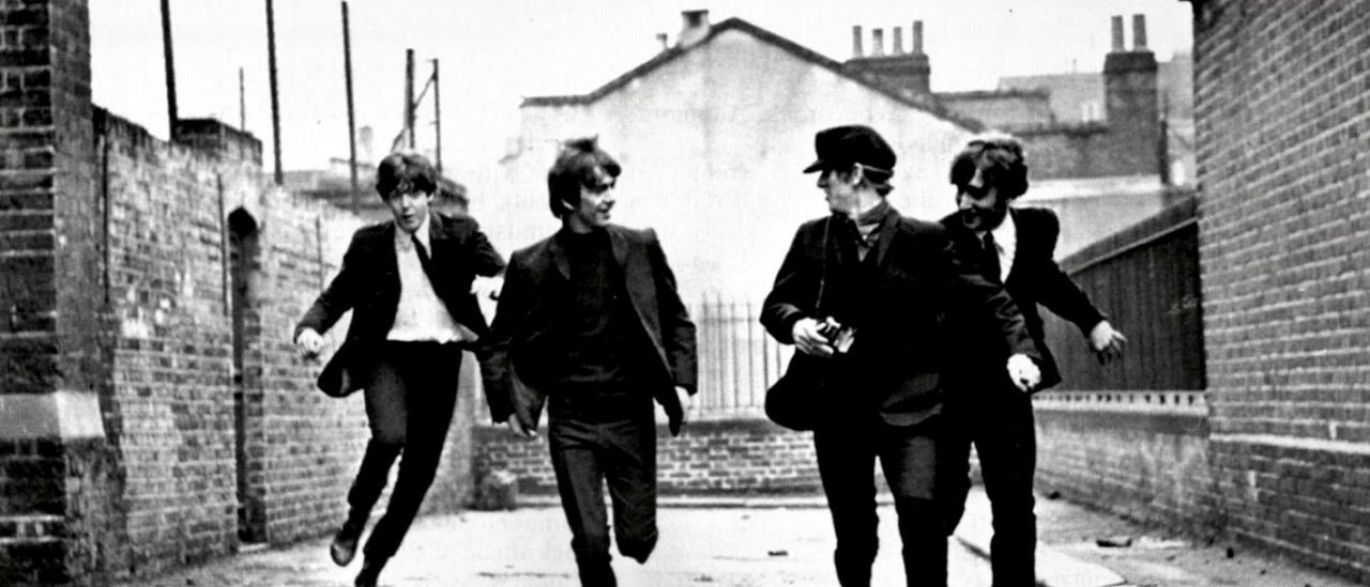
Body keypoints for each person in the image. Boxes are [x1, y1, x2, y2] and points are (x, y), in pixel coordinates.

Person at [760, 125, 1042, 587]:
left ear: (855, 175)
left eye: (828, 173)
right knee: (854, 533)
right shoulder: (812, 238)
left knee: (923, 520)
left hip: (914, 412)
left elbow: (990, 298)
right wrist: (797, 325)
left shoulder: (924, 239)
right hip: (838, 412)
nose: (821, 183)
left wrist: (1022, 353)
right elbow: (777, 304)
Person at [480, 137, 698, 587]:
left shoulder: (639, 246)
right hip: (572, 421)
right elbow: (498, 341)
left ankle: (635, 538)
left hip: (630, 414)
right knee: (591, 538)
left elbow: (677, 319)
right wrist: (505, 405)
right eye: (598, 189)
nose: (610, 197)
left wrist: (682, 382)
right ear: (567, 200)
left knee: (637, 540)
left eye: (612, 186)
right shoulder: (531, 264)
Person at [294, 151, 505, 587]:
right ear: (386, 199)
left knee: (418, 475)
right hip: (387, 356)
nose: (406, 205)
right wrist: (309, 329)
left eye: (414, 193)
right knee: (389, 436)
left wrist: (498, 285)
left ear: (430, 194)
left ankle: (374, 562)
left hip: (440, 360)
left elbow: (502, 272)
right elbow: (336, 296)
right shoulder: (370, 244)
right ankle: (355, 517)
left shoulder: (461, 234)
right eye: (395, 195)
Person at [939, 134, 1127, 587]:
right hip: (952, 388)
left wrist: (1092, 322)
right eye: (959, 191)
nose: (965, 203)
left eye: (976, 192)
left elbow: (1048, 279)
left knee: (1014, 503)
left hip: (1010, 387)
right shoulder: (942, 238)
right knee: (942, 499)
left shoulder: (1037, 229)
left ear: (1007, 191)